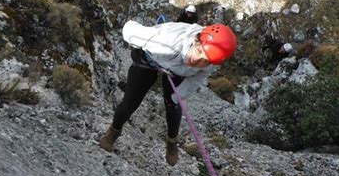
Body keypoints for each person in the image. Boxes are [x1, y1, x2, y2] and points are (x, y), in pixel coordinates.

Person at [99, 21, 237, 166]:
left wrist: (178, 95)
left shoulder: (209, 62)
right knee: (130, 102)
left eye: (204, 60)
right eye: (198, 52)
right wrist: (137, 42)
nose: (197, 60)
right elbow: (129, 29)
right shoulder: (165, 40)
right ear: (196, 40)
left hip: (175, 70)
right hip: (150, 59)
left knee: (174, 104)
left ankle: (172, 141)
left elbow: (197, 79)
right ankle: (114, 131)